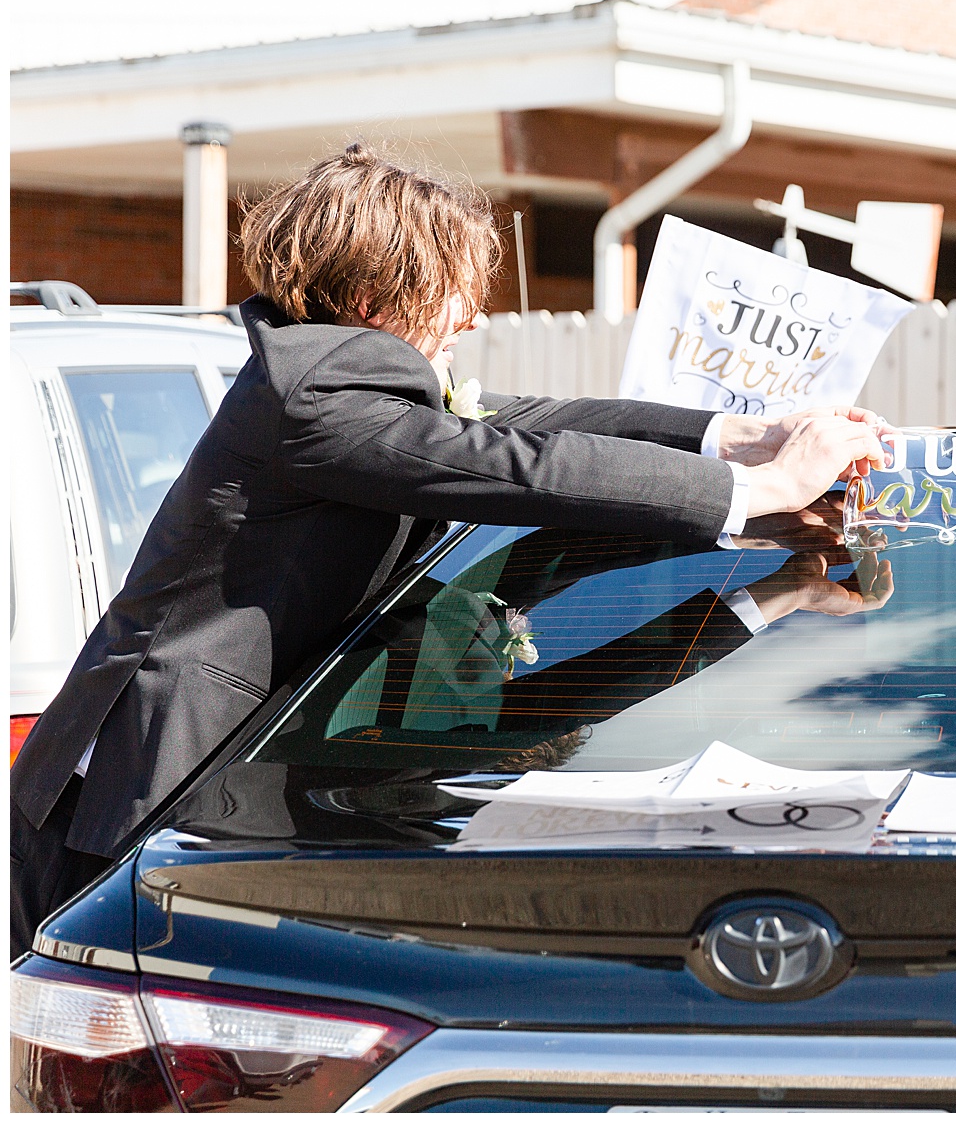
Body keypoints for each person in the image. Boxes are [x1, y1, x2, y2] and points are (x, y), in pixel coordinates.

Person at [11, 145, 885, 959]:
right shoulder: (319, 389)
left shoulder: (331, 372)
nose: (472, 312)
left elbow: (535, 421)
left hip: (207, 771)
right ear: (372, 299)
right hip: (139, 783)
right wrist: (761, 493)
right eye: (453, 289)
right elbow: (511, 465)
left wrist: (738, 433)